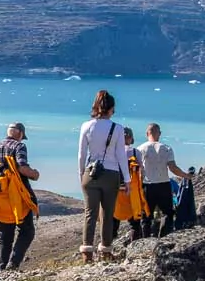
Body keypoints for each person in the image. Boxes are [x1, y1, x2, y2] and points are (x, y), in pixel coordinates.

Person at [78, 90, 131, 262]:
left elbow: (81, 155)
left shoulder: (86, 126)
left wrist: (81, 175)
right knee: (107, 214)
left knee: (90, 213)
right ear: (111, 109)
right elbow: (121, 156)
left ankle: (87, 252)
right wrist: (127, 180)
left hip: (90, 173)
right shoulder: (117, 129)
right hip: (111, 173)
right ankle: (106, 251)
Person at [0, 122, 40, 271]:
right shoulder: (19, 146)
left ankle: (1, 266)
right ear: (20, 134)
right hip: (18, 197)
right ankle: (13, 264)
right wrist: (34, 174)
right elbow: (22, 167)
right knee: (27, 231)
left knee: (5, 233)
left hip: (0, 197)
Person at [136, 122, 194, 238]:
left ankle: (145, 239)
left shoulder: (140, 149)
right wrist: (185, 175)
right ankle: (163, 236)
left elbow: (138, 170)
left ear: (147, 133)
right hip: (163, 184)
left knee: (146, 216)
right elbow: (172, 168)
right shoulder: (166, 148)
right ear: (160, 134)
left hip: (147, 185)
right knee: (168, 213)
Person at [112, 127, 148, 243]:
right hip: (131, 192)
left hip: (115, 192)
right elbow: (142, 172)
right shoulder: (135, 152)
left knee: (112, 221)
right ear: (131, 138)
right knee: (134, 224)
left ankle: (107, 250)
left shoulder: (112, 152)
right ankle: (135, 247)